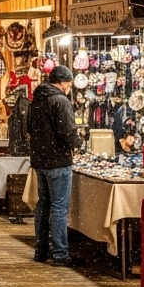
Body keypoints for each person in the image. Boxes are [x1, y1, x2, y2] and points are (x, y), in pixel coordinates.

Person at [27, 65, 82, 266]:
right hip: (58, 161)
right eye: (69, 84)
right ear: (63, 83)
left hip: (40, 161)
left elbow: (30, 129)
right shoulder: (60, 100)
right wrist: (78, 144)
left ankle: (41, 250)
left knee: (43, 205)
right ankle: (60, 253)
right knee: (59, 207)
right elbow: (68, 131)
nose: (69, 87)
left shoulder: (37, 100)